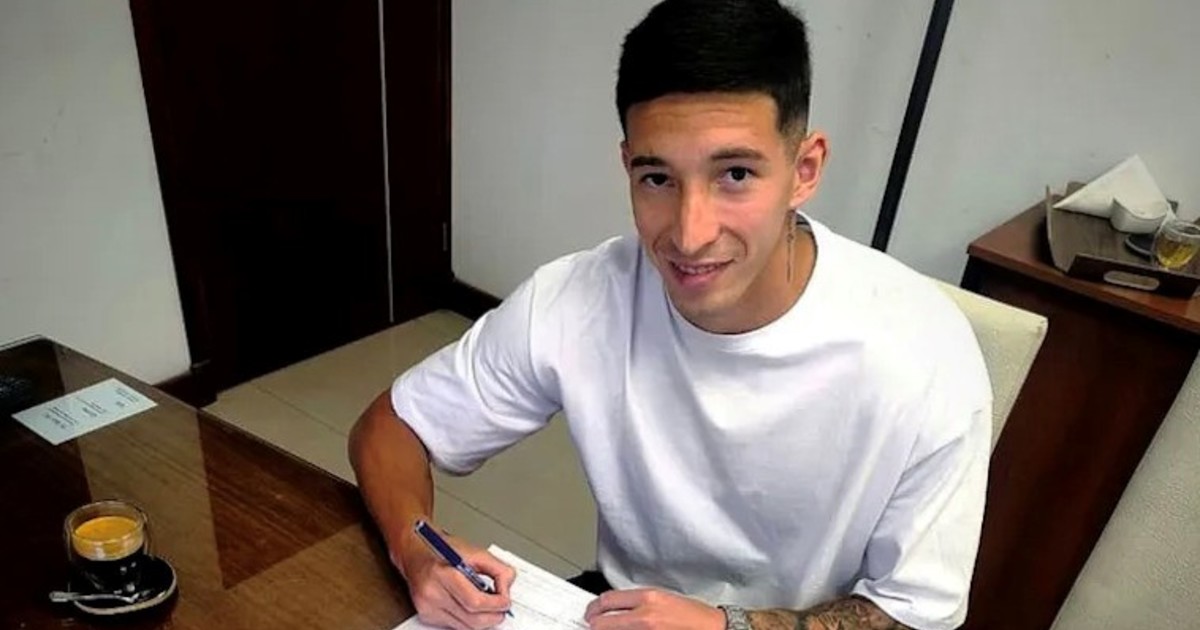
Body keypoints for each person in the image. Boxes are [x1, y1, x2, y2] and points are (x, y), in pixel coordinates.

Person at [349, 0, 991, 628]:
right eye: (657, 178)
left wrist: (726, 626)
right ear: (627, 165)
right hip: (622, 609)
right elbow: (391, 427)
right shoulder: (578, 299)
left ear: (804, 169)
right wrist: (416, 547)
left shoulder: (923, 353)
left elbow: (916, 615)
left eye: (735, 174)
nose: (689, 234)